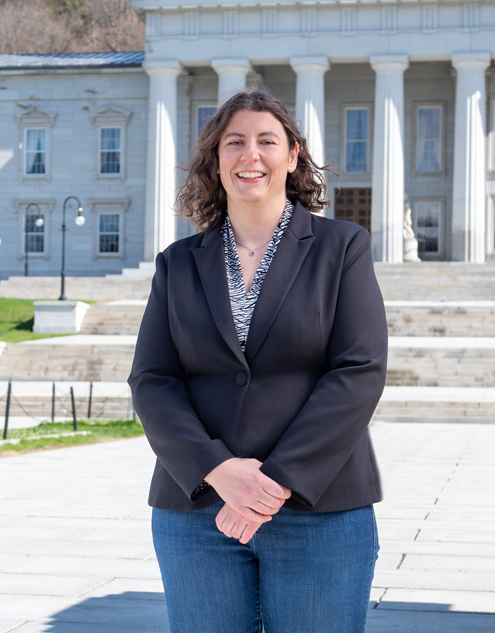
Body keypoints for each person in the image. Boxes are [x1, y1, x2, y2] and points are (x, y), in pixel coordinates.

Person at [129, 89, 388, 633]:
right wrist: (218, 470)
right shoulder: (177, 264)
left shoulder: (342, 247)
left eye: (267, 141)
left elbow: (359, 370)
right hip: (197, 510)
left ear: (292, 156)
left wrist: (273, 483)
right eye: (235, 142)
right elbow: (153, 380)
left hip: (319, 510)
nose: (251, 155)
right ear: (215, 160)